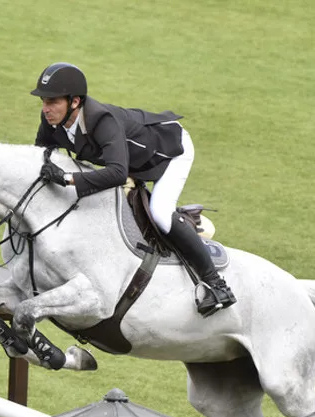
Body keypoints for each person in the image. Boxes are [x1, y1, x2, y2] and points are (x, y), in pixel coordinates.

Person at [30, 62, 236, 317]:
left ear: (74, 102)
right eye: (44, 102)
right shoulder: (51, 121)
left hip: (170, 152)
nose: (46, 109)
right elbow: (40, 154)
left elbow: (117, 173)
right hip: (130, 161)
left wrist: (67, 178)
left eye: (53, 102)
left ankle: (216, 284)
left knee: (160, 212)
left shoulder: (101, 120)